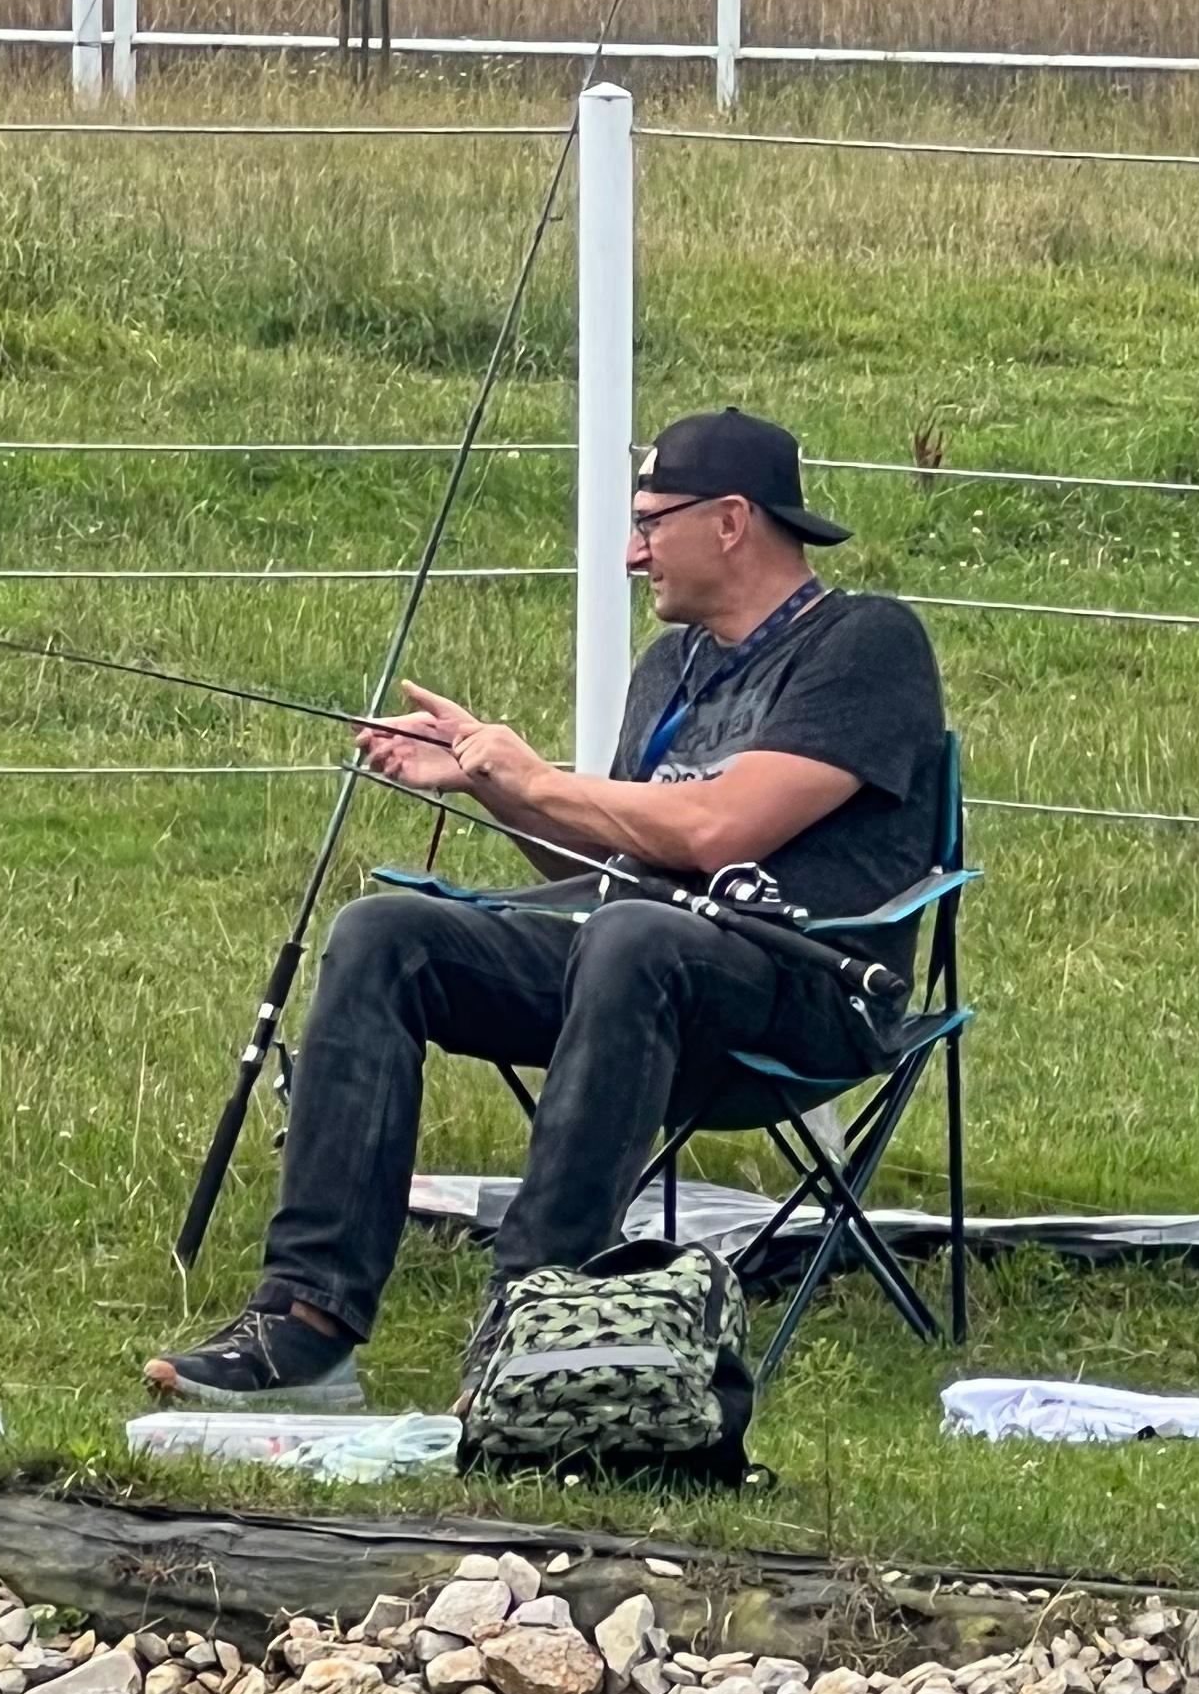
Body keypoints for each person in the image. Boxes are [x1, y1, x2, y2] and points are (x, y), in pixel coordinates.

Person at [147, 408, 949, 1407]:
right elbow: (618, 861)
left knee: (635, 938)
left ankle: (534, 1321)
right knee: (384, 935)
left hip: (809, 987)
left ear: (732, 521)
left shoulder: (866, 645)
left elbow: (716, 831)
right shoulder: (672, 667)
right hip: (636, 965)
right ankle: (304, 1326)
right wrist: (498, 788)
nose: (632, 553)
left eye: (651, 522)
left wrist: (536, 774)